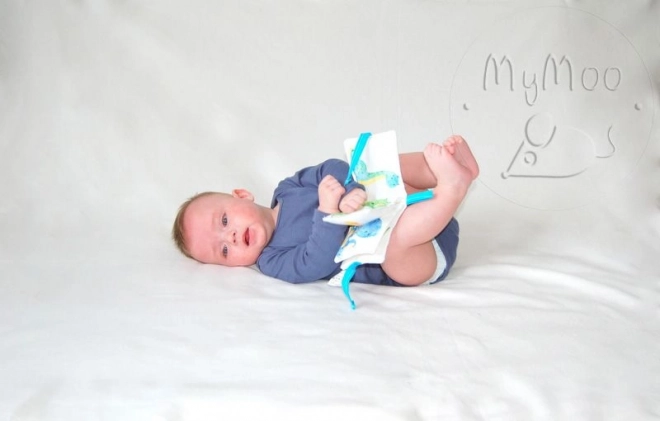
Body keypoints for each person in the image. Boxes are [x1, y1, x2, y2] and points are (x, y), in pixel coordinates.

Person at [172, 135, 479, 287]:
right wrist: (327, 210)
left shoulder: (287, 189)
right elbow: (314, 263)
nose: (231, 236)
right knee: (393, 242)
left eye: (225, 221)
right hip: (418, 256)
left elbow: (330, 168)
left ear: (242, 195)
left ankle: (451, 169)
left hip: (413, 203)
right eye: (224, 251)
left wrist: (352, 189)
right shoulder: (272, 260)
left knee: (376, 168)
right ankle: (451, 190)